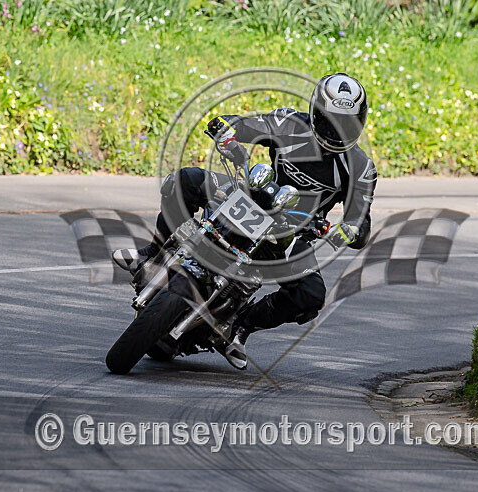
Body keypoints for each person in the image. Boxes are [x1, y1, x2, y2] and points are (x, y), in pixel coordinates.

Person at [113, 73, 377, 369]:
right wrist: (226, 128)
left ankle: (240, 326)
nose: (339, 131)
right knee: (186, 180)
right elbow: (248, 125)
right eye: (331, 122)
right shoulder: (289, 123)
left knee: (310, 295)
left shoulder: (361, 167)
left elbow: (360, 218)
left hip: (293, 231)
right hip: (253, 195)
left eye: (348, 123)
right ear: (316, 112)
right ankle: (154, 253)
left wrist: (350, 230)